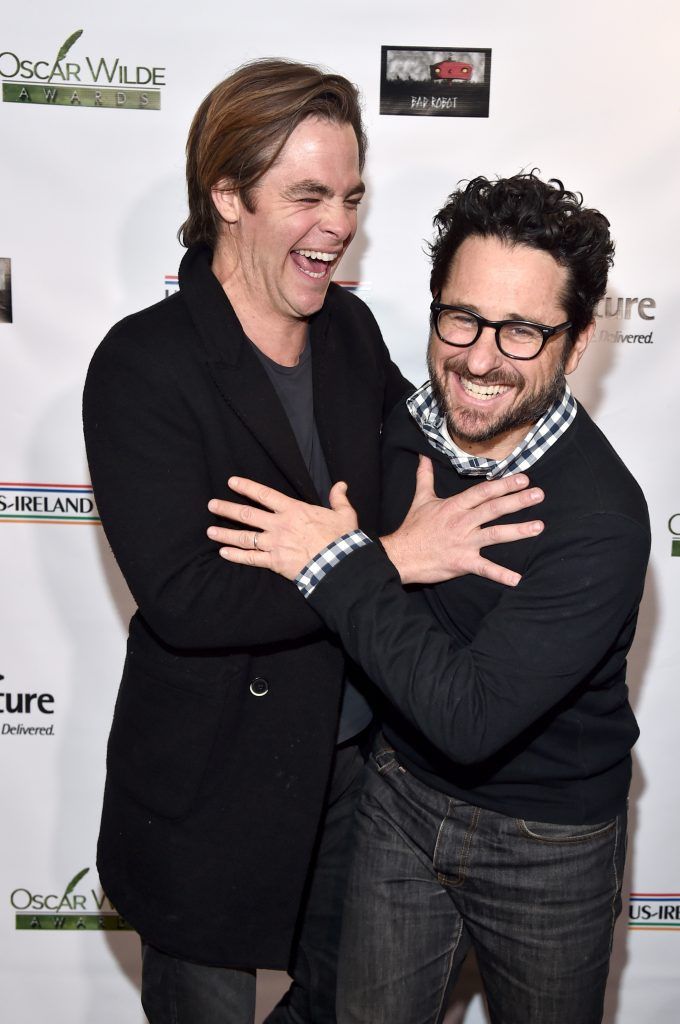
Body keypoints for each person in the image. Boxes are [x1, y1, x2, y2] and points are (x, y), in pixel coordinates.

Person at [83, 62, 544, 1024]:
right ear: (226, 196)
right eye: (307, 196)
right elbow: (188, 597)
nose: (337, 223)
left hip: (354, 769)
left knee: (349, 1001)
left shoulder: (349, 330)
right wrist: (382, 563)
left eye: (350, 195)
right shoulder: (142, 364)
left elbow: (414, 479)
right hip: (213, 787)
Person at [208, 173, 651, 1024]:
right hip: (399, 801)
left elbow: (470, 716)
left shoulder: (600, 517)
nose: (480, 358)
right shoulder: (402, 422)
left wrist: (344, 562)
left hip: (546, 841)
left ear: (579, 338)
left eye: (523, 331)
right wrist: (389, 557)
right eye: (463, 318)